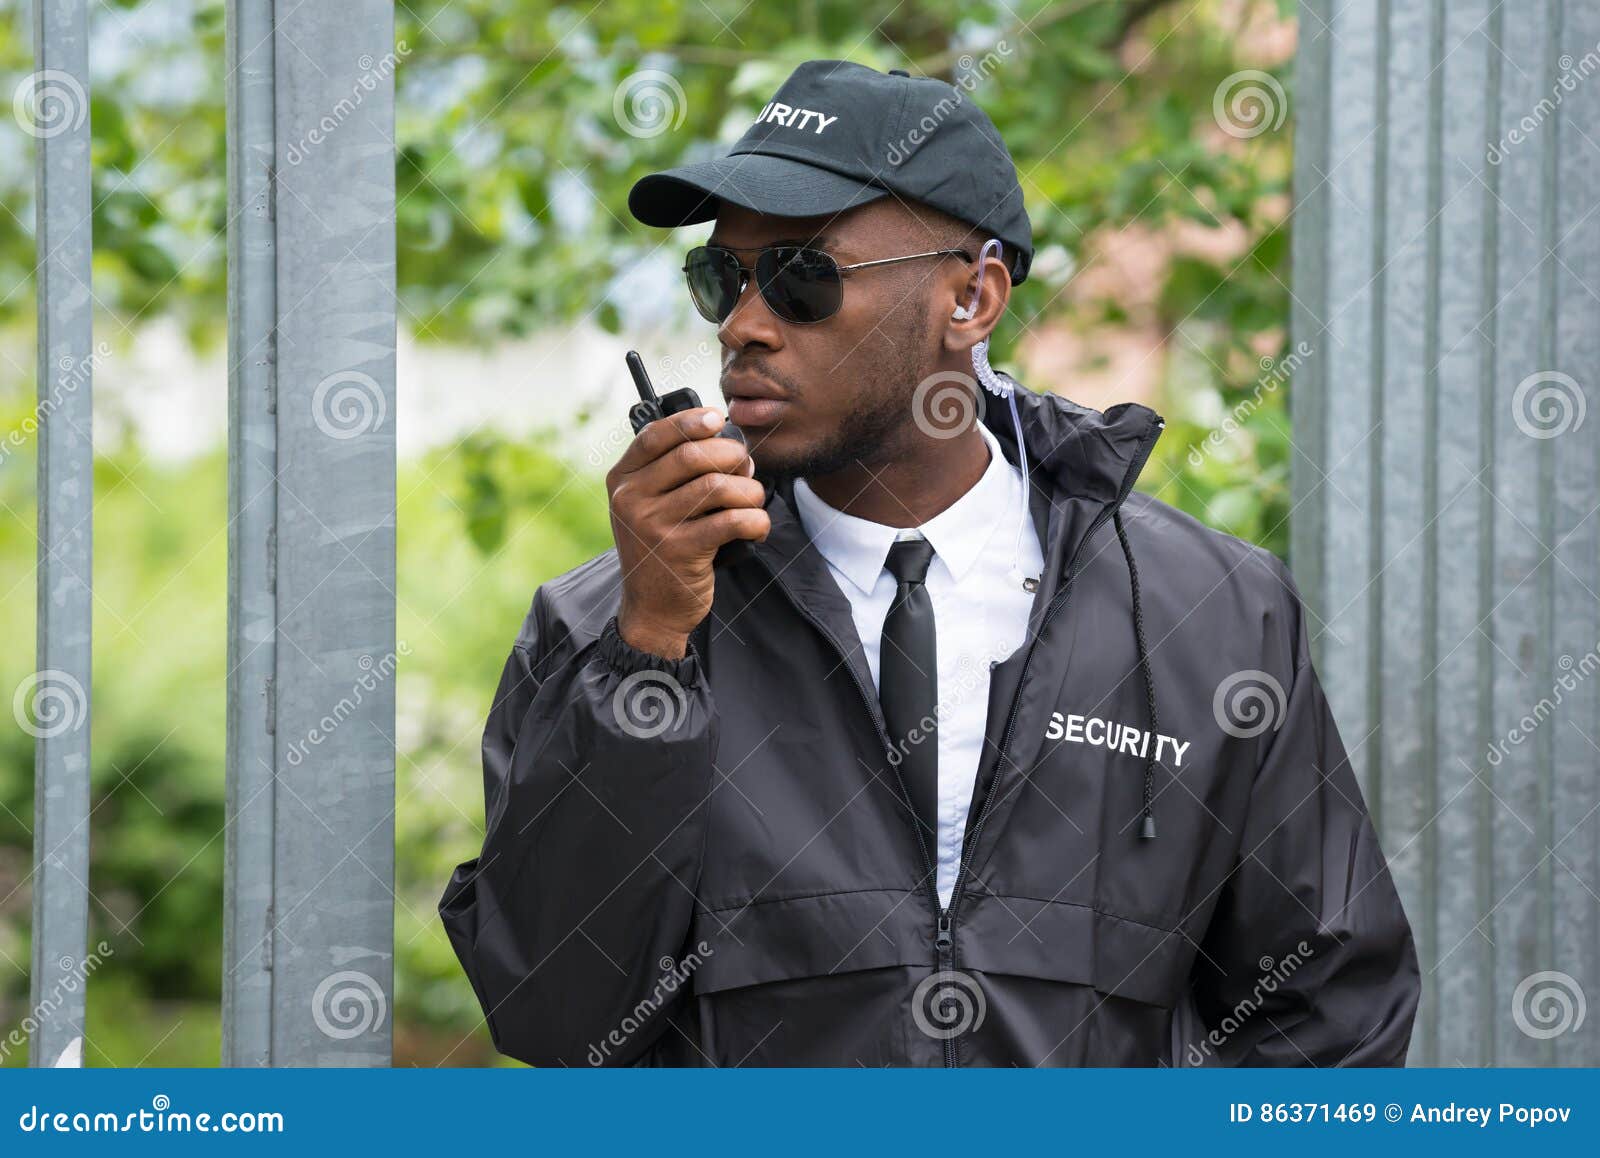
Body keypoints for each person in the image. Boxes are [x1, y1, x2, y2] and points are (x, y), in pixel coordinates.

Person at [439, 59, 1419, 1067]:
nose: (742, 324)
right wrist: (648, 653)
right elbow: (552, 1014)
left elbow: (1328, 1012)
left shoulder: (1206, 613)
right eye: (720, 278)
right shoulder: (606, 629)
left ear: (972, 298)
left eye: (800, 274)